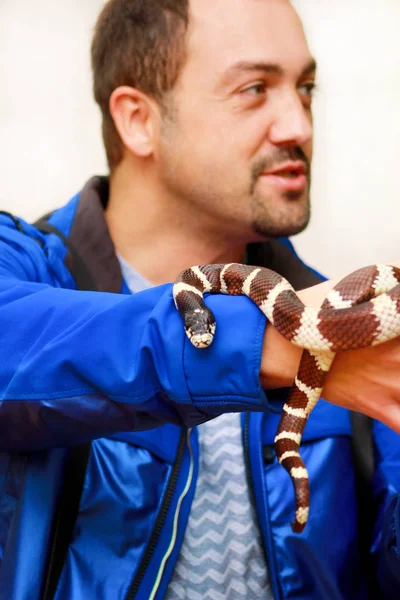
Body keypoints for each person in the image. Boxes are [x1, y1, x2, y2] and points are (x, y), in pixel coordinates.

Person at [0, 0, 400, 598]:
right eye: (254, 88)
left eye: (306, 88)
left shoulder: (352, 328)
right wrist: (275, 344)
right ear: (138, 119)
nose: (299, 126)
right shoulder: (27, 269)